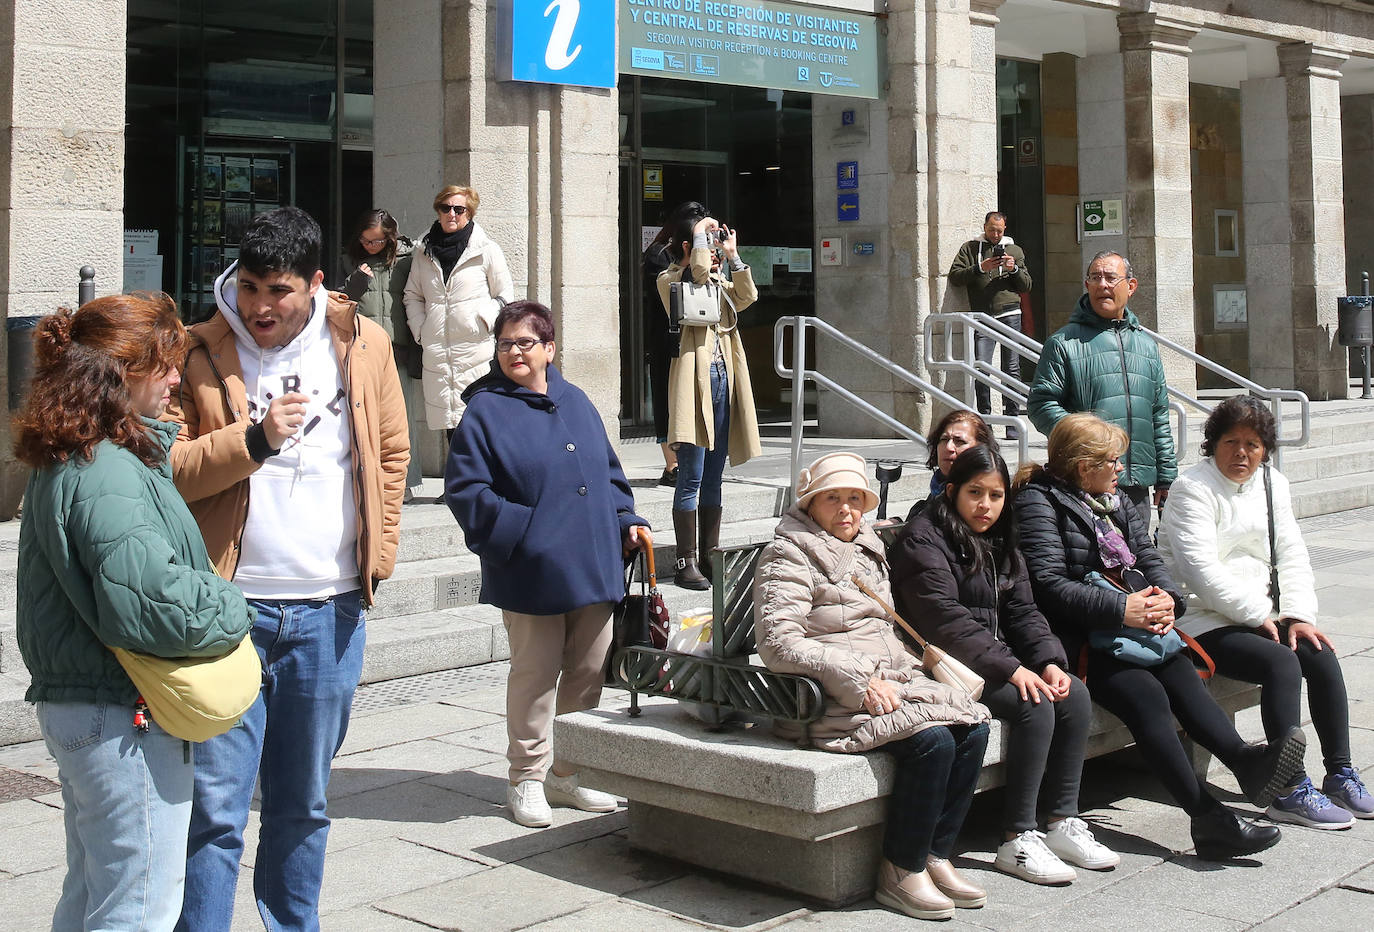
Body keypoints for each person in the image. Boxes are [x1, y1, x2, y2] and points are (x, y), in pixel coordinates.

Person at [166, 206, 409, 930]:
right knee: (213, 809)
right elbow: (172, 471)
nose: (260, 307)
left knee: (302, 805)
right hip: (227, 612)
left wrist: (380, 557)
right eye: (248, 288)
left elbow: (392, 457)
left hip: (330, 611)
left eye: (278, 290)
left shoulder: (363, 344)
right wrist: (254, 439)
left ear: (315, 283)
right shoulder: (198, 351)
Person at [13, 294, 253, 930]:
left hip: (91, 702)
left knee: (95, 890)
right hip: (122, 709)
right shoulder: (107, 468)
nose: (177, 379)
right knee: (139, 905)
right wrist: (232, 603)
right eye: (166, 365)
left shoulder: (80, 452)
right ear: (122, 371)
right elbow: (150, 601)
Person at [1014, 412, 1307, 861]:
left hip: (1136, 630)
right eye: (1111, 461)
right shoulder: (1039, 501)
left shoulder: (1115, 502)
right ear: (1080, 463)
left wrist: (1169, 600)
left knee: (1179, 671)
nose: (1119, 470)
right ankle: (1208, 815)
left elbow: (1149, 557)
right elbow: (1048, 584)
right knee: (1147, 695)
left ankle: (1247, 764)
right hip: (1081, 643)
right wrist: (1122, 609)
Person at [754, 452, 991, 921]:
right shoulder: (788, 553)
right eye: (833, 499)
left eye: (855, 499)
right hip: (825, 697)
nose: (846, 509)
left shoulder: (868, 545)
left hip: (887, 682)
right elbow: (779, 642)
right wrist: (861, 680)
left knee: (973, 727)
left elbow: (883, 629)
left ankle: (934, 855)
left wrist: (904, 672)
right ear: (810, 503)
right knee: (933, 741)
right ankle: (900, 870)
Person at [446, 300, 650, 828]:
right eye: (506, 343)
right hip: (530, 568)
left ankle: (568, 773)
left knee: (587, 670)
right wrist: (521, 530)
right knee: (535, 675)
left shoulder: (576, 399)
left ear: (549, 349)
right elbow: (466, 490)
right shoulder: (483, 410)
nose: (515, 352)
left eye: (525, 342)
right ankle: (527, 777)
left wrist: (626, 516)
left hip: (593, 561)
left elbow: (609, 470)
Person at [892, 445, 1117, 885]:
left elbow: (1024, 612)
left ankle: (1061, 821)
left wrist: (1048, 660)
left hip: (992, 658)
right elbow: (944, 621)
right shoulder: (924, 537)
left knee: (1073, 692)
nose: (986, 506)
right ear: (953, 490)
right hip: (940, 665)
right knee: (1033, 703)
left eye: (996, 496)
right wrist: (1013, 669)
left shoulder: (1002, 538)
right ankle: (1018, 835)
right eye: (975, 493)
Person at [1158, 396, 1372, 828]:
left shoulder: (1273, 483)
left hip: (1261, 612)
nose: (1241, 453)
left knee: (1319, 652)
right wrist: (1259, 614)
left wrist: (1297, 613)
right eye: (1231, 442)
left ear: (1266, 450)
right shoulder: (1191, 489)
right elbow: (1201, 572)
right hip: (1202, 617)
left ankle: (1340, 773)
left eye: (1253, 445)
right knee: (1280, 662)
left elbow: (1292, 553)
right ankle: (1287, 788)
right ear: (1212, 444)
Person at [656, 201, 761, 590]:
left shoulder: (717, 282)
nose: (713, 252)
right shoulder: (672, 281)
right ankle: (686, 562)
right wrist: (700, 235)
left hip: (722, 381)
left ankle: (709, 555)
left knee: (715, 475)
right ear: (688, 246)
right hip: (693, 386)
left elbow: (748, 297)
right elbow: (696, 273)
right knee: (691, 477)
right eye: (707, 243)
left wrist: (734, 258)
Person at [1026, 250, 1176, 523]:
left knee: (1136, 559)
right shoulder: (1064, 344)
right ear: (1087, 286)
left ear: (1130, 286)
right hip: (1084, 481)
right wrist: (1088, 439)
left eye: (1110, 277)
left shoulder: (1146, 346)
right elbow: (1041, 405)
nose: (1102, 285)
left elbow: (1158, 414)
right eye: (1095, 278)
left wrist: (1166, 475)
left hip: (1136, 484)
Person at [404, 183, 515, 437]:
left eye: (459, 209)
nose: (451, 214)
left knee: (481, 426)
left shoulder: (487, 250)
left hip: (476, 351)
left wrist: (482, 320)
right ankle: (460, 478)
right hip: (438, 355)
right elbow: (412, 295)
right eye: (445, 208)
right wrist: (421, 329)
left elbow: (505, 295)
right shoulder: (423, 252)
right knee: (452, 430)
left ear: (469, 213)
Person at [342, 208, 424, 502]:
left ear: (390, 238)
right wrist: (354, 285)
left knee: (400, 419)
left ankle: (404, 482)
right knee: (364, 417)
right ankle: (369, 478)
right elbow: (338, 304)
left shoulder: (409, 259)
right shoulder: (350, 259)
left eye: (376, 241)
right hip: (362, 351)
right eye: (366, 240)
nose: (370, 246)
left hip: (398, 350)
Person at [947, 211, 1032, 418]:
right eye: (992, 230)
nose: (995, 235)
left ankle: (1012, 420)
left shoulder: (1015, 250)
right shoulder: (970, 248)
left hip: (1010, 314)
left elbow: (1027, 285)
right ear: (984, 227)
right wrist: (979, 268)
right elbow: (956, 277)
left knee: (1011, 368)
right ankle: (985, 419)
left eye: (999, 231)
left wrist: (1013, 270)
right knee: (981, 368)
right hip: (983, 316)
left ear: (1005, 229)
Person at [904, 408, 1000, 523]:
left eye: (959, 441)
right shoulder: (928, 503)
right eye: (944, 439)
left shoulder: (985, 507)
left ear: (981, 449)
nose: (949, 447)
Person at [643, 215, 678, 487]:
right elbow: (671, 292)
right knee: (666, 399)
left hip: (693, 341)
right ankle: (673, 465)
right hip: (665, 339)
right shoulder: (659, 254)